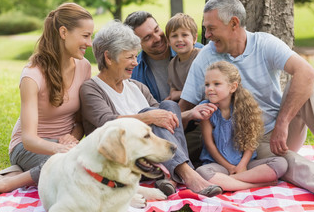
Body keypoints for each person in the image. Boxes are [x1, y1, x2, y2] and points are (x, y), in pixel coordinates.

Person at [179, 0, 314, 204]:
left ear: (234, 23)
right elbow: (183, 109)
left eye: (211, 28)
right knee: (294, 164)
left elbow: (308, 73)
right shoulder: (206, 58)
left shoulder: (264, 43)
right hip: (251, 144)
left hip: (281, 133)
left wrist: (282, 124)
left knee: (305, 83)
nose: (207, 35)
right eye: (205, 28)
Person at [79, 20, 222, 197]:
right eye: (129, 57)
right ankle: (187, 173)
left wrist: (189, 114)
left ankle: (170, 177)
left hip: (149, 159)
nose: (135, 62)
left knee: (169, 106)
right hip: (118, 161)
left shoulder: (137, 87)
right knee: (150, 113)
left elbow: (164, 119)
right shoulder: (91, 89)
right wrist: (147, 118)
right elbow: (106, 121)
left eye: (135, 56)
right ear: (108, 57)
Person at [0, 2, 93, 195]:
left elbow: (80, 121)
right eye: (85, 35)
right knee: (70, 171)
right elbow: (29, 139)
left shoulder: (84, 67)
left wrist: (72, 138)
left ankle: (12, 175)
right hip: (27, 148)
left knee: (90, 168)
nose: (89, 43)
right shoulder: (32, 75)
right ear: (64, 32)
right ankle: (4, 184)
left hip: (64, 147)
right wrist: (59, 149)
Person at [195, 61, 288, 191]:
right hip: (219, 165)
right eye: (207, 84)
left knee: (280, 164)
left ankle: (229, 182)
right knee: (201, 173)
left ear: (232, 87)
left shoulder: (244, 108)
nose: (210, 88)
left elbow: (251, 140)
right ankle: (254, 185)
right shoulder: (207, 110)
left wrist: (241, 166)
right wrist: (229, 167)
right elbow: (210, 145)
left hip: (245, 165)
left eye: (216, 84)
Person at [123, 11, 203, 102]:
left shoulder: (197, 52)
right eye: (148, 37)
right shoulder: (134, 72)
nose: (157, 38)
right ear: (137, 45)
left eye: (156, 30)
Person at [165, 13, 201, 102]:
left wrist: (179, 94)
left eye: (184, 35)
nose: (179, 39)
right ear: (168, 41)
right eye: (174, 36)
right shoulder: (172, 64)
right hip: (184, 104)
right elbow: (173, 91)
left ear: (194, 38)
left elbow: (202, 89)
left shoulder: (200, 58)